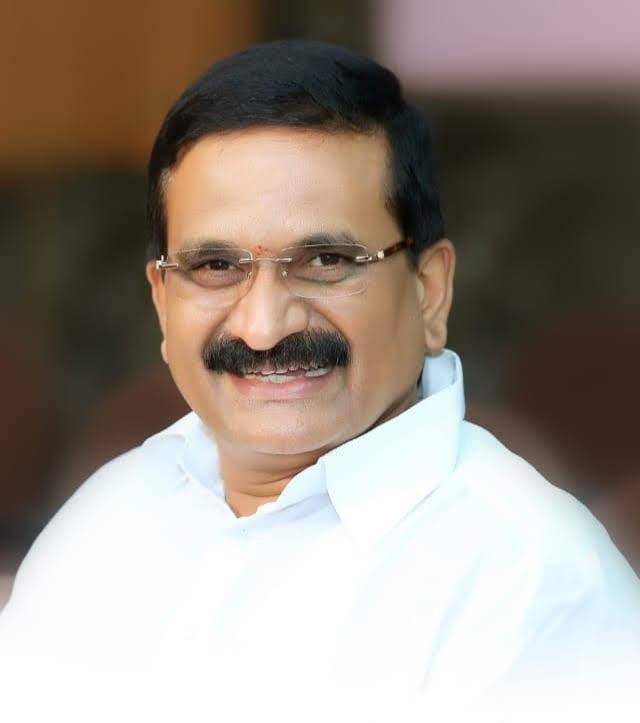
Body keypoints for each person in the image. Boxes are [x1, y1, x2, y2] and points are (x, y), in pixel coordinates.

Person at [1, 39, 639, 722]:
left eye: (327, 260)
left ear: (429, 292)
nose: (262, 327)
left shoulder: (529, 585)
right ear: (162, 302)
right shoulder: (104, 520)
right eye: (216, 267)